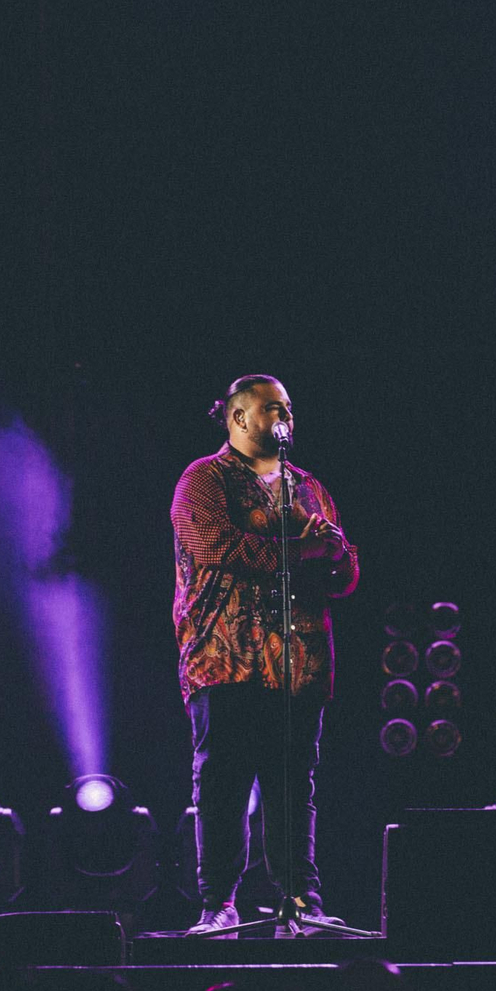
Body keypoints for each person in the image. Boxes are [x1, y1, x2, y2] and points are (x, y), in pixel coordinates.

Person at [171, 374, 359, 936]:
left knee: (292, 785)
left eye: (289, 409)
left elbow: (344, 575)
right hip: (225, 657)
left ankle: (300, 902)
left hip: (299, 662)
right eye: (272, 408)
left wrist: (337, 557)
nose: (285, 418)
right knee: (223, 785)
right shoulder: (204, 479)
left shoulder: (309, 488)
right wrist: (305, 549)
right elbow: (215, 547)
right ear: (238, 417)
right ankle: (218, 904)